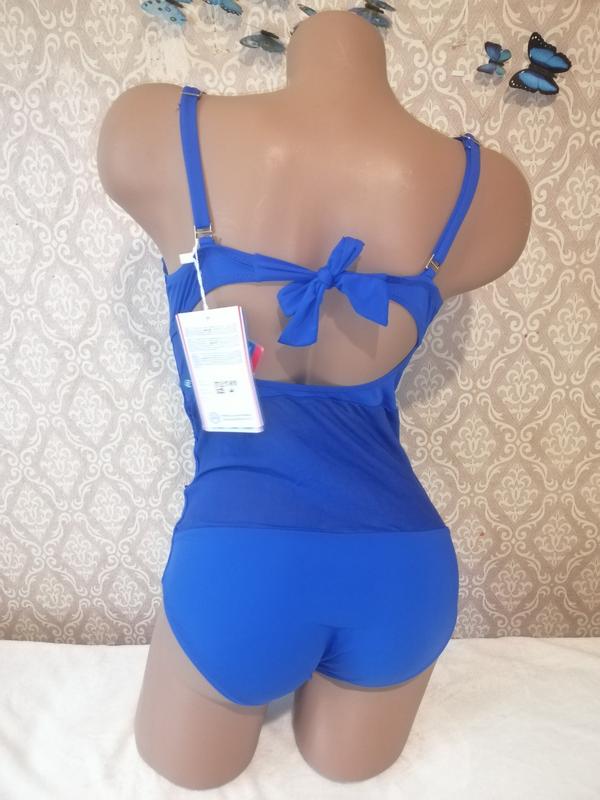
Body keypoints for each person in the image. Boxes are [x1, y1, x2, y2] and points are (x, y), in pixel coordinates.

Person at [97, 9, 532, 790]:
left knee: (184, 774)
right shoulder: (485, 189)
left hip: (238, 573)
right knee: (346, 774)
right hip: (404, 573)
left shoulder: (158, 128)